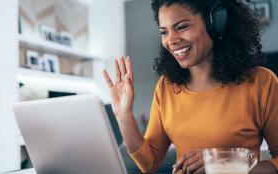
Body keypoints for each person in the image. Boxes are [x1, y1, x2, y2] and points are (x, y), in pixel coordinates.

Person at [102, 0, 278, 173]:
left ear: (216, 23)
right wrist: (124, 116)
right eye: (164, 32)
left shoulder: (261, 83)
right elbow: (149, 164)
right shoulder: (166, 87)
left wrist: (224, 164)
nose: (171, 40)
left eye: (181, 27)